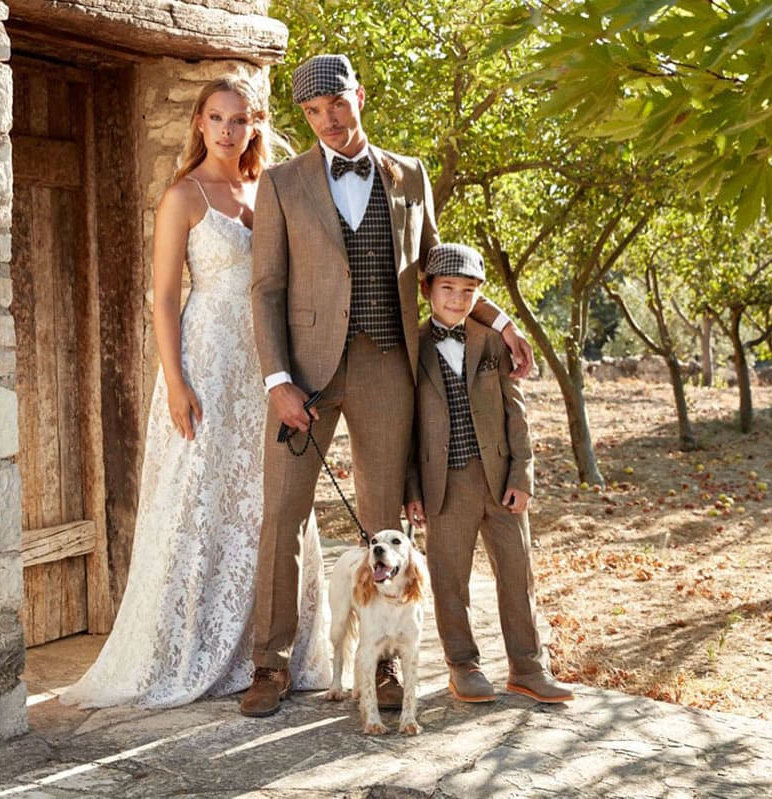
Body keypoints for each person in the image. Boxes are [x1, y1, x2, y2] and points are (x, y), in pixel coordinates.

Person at [242, 54, 534, 717]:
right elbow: (265, 290)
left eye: (337, 105)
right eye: (314, 113)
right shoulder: (282, 183)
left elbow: (439, 273)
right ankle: (270, 664)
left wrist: (504, 322)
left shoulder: (410, 175)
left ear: (360, 96)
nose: (328, 121)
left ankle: (383, 671)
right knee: (283, 516)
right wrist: (278, 380)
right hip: (307, 372)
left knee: (385, 521)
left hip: (386, 367)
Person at [59, 77, 331, 709]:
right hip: (207, 360)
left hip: (269, 362)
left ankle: (271, 650)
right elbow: (161, 298)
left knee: (270, 497)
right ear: (200, 124)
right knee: (199, 495)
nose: (228, 130)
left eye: (240, 119)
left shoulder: (273, 189)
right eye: (216, 118)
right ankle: (185, 649)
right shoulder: (182, 196)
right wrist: (176, 382)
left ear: (255, 124)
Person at [404, 243, 572, 704]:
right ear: (427, 291)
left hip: (500, 480)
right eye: (448, 290)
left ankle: (528, 667)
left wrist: (522, 476)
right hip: (445, 483)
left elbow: (516, 415)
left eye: (468, 292)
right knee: (449, 577)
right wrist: (412, 488)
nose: (457, 300)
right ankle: (463, 665)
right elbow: (406, 427)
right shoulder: (412, 347)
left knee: (517, 574)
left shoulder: (493, 342)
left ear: (480, 296)